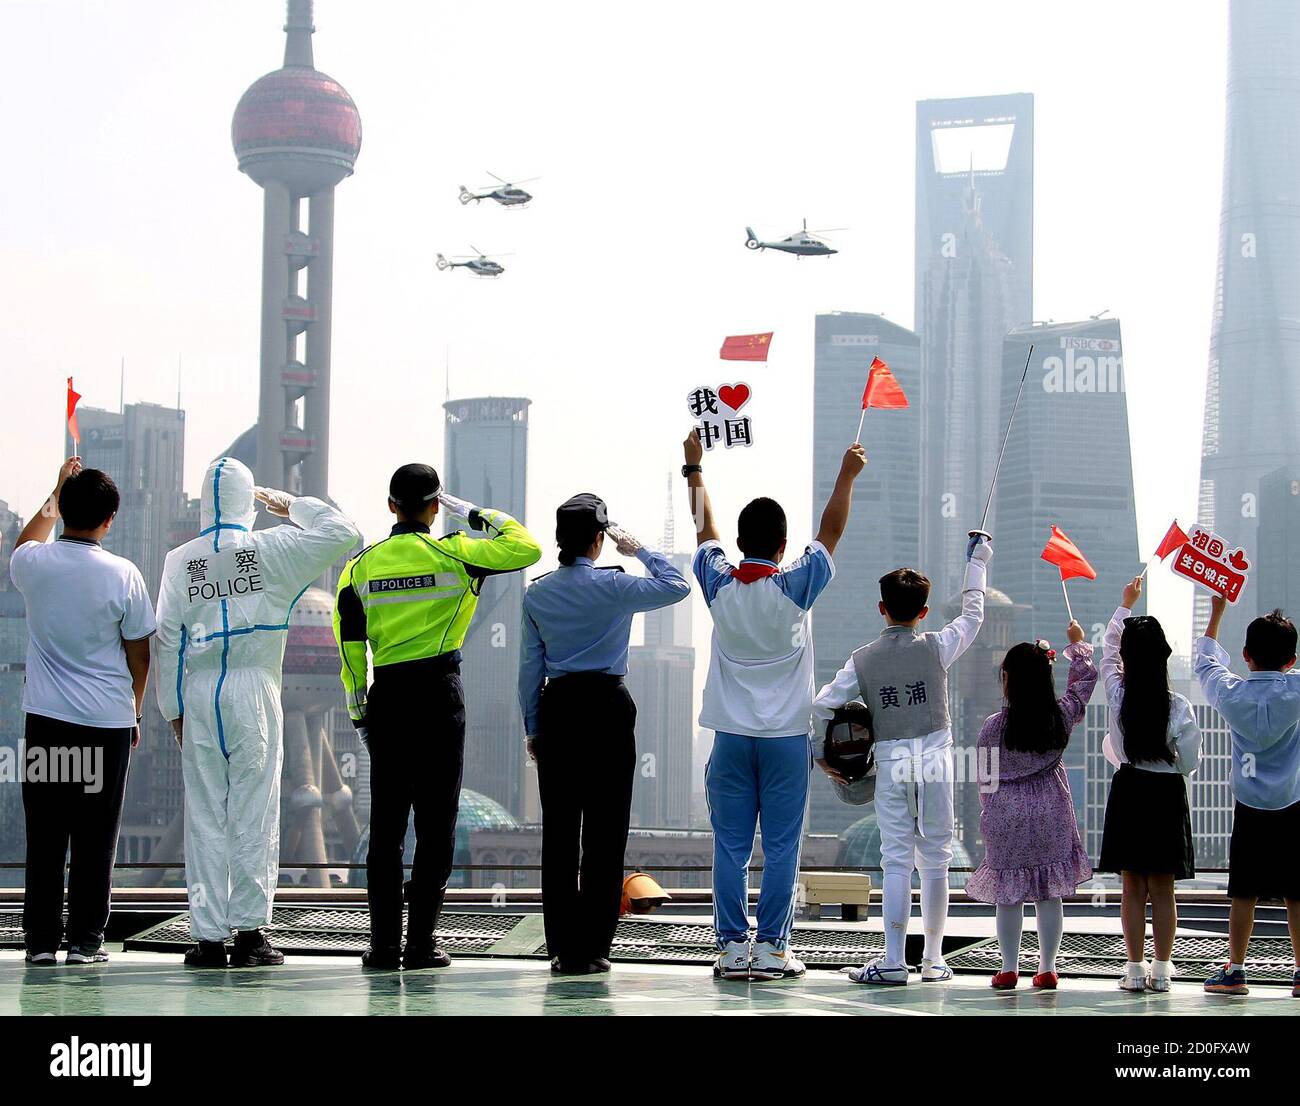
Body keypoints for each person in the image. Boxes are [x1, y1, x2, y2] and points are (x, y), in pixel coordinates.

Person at [155, 457, 360, 968]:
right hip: (256, 690)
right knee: (255, 812)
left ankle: (206, 938)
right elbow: (344, 532)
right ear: (251, 500)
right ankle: (249, 935)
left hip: (200, 694)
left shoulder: (180, 560)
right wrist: (290, 505)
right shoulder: (273, 550)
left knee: (205, 815)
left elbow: (166, 639)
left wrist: (172, 709)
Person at [334, 463, 541, 970]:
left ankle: (382, 946)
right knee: (436, 824)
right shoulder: (456, 553)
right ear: (434, 506)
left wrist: (360, 710)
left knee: (385, 829)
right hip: (439, 697)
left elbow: (349, 647)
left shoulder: (359, 568)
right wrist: (468, 510)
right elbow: (525, 546)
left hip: (388, 697)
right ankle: (421, 944)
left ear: (390, 507)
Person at [686, 430, 866, 981]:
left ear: (741, 544)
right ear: (784, 548)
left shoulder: (718, 583)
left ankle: (732, 948)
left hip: (731, 740)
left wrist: (694, 468)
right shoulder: (794, 587)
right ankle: (772, 951)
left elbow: (702, 528)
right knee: (783, 848)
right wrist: (846, 475)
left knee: (730, 848)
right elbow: (831, 531)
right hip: (787, 741)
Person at [812, 530, 993, 986]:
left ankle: (893, 961)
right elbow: (973, 617)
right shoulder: (936, 645)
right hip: (936, 758)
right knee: (936, 859)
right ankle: (933, 960)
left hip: (891, 764)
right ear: (924, 612)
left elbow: (822, 704)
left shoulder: (862, 659)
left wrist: (823, 752)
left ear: (882, 608)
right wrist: (978, 562)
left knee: (896, 860)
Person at [519, 494, 689, 973]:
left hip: (558, 707)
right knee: (605, 831)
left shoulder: (536, 593)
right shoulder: (615, 584)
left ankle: (561, 948)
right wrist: (639, 552)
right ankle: (594, 947)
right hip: (609, 707)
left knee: (559, 834)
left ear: (558, 541)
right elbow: (676, 587)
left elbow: (529, 666)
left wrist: (533, 726)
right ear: (599, 540)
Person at [10, 459, 154, 965]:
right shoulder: (124, 574)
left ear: (63, 509)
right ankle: (85, 943)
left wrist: (55, 489)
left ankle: (41, 944)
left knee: (45, 838)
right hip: (107, 725)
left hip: (46, 723)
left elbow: (26, 540)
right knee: (96, 839)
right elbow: (140, 653)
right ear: (110, 518)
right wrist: (133, 711)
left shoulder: (34, 564)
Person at [965, 624, 1097, 990]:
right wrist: (1078, 646)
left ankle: (1008, 968)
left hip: (1006, 812)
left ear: (1007, 679)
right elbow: (1083, 684)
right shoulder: (1060, 716)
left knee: (1008, 894)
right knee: (1048, 892)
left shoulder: (994, 727)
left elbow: (985, 780)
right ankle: (1048, 968)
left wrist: (989, 814)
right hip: (1051, 808)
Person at [1096, 576, 1200, 993]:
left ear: (1127, 658)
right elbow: (1189, 761)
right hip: (1165, 794)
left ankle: (1134, 970)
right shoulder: (1178, 706)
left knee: (1131, 887)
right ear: (1163, 657)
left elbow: (1106, 651)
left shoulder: (1117, 693)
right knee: (1163, 888)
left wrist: (1125, 604)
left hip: (1130, 791)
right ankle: (1162, 970)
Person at [1195, 593, 1300, 999]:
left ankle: (1235, 970)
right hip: (1293, 803)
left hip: (1249, 808)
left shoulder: (1231, 694)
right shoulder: (1295, 690)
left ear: (1245, 655)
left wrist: (1217, 611)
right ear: (1290, 660)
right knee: (1296, 892)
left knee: (1244, 891)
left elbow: (1206, 663)